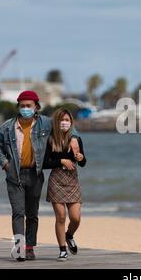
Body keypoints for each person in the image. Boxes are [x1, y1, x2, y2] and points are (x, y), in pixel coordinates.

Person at [0, 90, 52, 261]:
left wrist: (74, 139)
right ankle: (19, 247)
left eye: (29, 106)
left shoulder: (46, 124)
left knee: (32, 213)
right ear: (18, 107)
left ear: (36, 107)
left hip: (35, 174)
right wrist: (4, 163)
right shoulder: (7, 127)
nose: (25, 108)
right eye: (22, 106)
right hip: (14, 175)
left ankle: (30, 247)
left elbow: (67, 125)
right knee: (18, 212)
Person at [43, 108, 86, 261]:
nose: (64, 123)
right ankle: (62, 250)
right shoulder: (50, 140)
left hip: (72, 180)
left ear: (71, 122)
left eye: (67, 120)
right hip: (56, 180)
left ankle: (69, 235)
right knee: (60, 217)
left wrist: (80, 158)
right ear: (56, 122)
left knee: (75, 218)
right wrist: (61, 160)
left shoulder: (76, 140)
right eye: (62, 120)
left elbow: (83, 163)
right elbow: (44, 163)